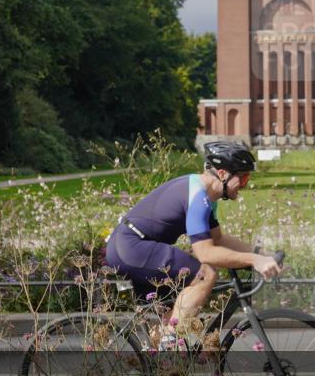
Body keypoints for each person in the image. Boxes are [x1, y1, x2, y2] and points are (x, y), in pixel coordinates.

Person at [105, 141, 282, 350]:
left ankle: (158, 370)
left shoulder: (206, 195)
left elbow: (218, 240)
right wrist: (254, 260)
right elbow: (206, 253)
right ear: (223, 174)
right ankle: (168, 341)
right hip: (133, 247)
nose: (244, 185)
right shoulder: (199, 197)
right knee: (205, 274)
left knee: (170, 317)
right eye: (243, 178)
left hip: (130, 246)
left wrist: (264, 255)